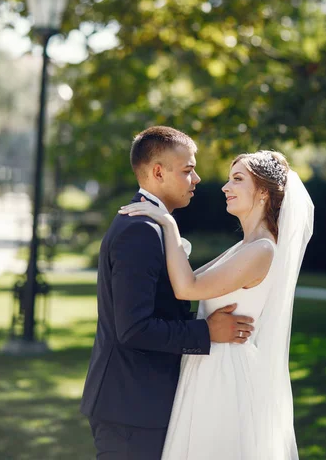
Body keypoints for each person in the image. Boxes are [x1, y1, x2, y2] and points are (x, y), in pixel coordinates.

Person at [119, 149, 314, 460]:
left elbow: (187, 288)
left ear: (263, 192)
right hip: (209, 362)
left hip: (227, 374)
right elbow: (184, 281)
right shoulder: (244, 246)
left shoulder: (262, 249)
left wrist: (168, 226)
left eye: (237, 179)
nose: (225, 187)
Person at [80, 126, 255, 460]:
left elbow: (157, 310)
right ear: (158, 171)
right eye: (188, 170)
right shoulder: (141, 231)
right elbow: (133, 328)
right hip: (131, 407)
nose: (198, 179)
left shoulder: (152, 225)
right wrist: (206, 332)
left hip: (138, 404)